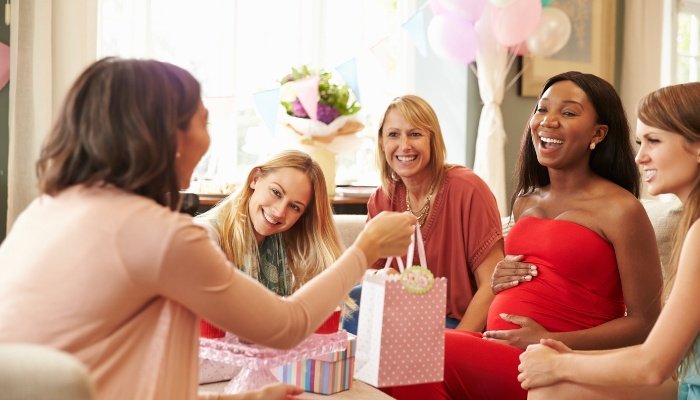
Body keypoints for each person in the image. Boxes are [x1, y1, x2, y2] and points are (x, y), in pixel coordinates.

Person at [0, 57, 416, 400]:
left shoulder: (44, 212)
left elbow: (115, 375)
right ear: (165, 135)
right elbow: (284, 326)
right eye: (203, 122)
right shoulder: (166, 236)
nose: (208, 141)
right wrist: (365, 248)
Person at [385, 71, 664, 400]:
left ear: (598, 133)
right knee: (399, 359)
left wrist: (548, 339)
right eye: (542, 110)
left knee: (420, 355)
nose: (549, 121)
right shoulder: (525, 200)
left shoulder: (622, 210)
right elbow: (536, 274)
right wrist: (498, 279)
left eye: (569, 112)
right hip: (499, 348)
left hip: (556, 361)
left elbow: (646, 324)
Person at [517, 82, 700, 400]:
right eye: (640, 142)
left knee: (551, 390)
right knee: (551, 388)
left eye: (654, 141)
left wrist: (559, 363)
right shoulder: (692, 227)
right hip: (682, 380)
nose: (641, 157)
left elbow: (653, 364)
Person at [341, 94, 504, 334]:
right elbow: (364, 269)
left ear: (432, 140)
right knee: (355, 300)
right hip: (402, 320)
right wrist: (382, 274)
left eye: (415, 134)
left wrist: (457, 344)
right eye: (393, 135)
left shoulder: (468, 189)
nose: (404, 145)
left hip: (457, 325)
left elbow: (492, 283)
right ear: (382, 143)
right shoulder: (383, 197)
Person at [195, 150, 343, 296]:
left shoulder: (287, 244)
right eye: (276, 192)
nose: (279, 212)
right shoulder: (205, 236)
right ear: (255, 178)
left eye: (295, 207)